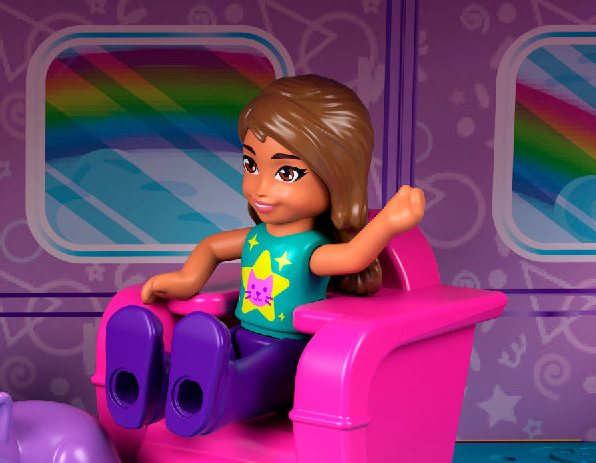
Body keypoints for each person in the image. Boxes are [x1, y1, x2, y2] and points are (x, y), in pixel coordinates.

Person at [104, 74, 425, 436]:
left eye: (286, 172)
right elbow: (212, 247)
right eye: (251, 165)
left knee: (244, 376)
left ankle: (205, 402)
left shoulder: (309, 249)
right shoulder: (256, 237)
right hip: (241, 335)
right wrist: (187, 279)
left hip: (289, 354)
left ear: (336, 178)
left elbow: (353, 258)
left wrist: (389, 224)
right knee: (213, 355)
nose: (260, 187)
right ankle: (147, 385)